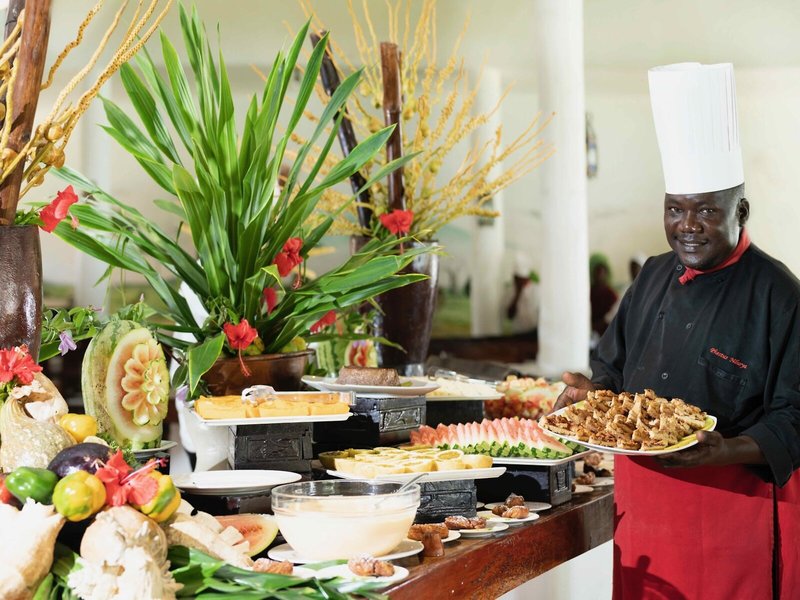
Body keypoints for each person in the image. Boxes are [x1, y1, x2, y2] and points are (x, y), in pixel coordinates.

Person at [555, 63, 800, 599]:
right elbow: (612, 370)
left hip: (729, 513)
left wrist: (722, 450)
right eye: (675, 210)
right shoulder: (651, 274)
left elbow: (794, 417)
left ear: (742, 210)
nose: (687, 226)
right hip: (642, 509)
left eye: (706, 210)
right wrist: (591, 397)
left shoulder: (780, 294)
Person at [505, 252, 539, 335]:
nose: (518, 283)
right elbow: (509, 316)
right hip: (517, 334)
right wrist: (517, 295)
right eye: (516, 279)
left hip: (534, 333)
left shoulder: (537, 290)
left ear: (527, 278)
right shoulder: (509, 292)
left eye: (521, 279)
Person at [589, 253, 618, 337]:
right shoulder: (589, 292)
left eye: (602, 272)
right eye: (597, 272)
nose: (599, 275)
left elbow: (612, 317)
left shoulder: (611, 294)